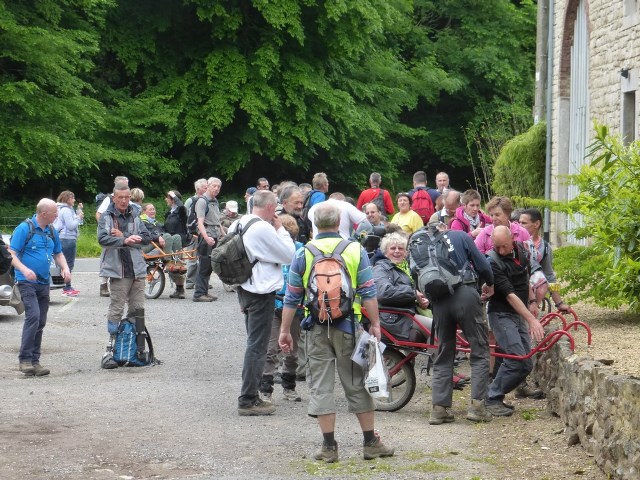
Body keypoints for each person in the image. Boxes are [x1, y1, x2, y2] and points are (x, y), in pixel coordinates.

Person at [279, 202, 394, 463]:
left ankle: (329, 447)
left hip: (316, 328)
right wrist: (375, 324)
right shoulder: (354, 249)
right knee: (355, 383)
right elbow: (368, 290)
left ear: (315, 224)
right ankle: (370, 443)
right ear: (339, 220)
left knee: (320, 386)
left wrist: (285, 330)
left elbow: (292, 297)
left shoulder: (304, 252)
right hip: (349, 327)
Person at [412, 223, 496, 425]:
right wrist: (490, 285)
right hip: (465, 294)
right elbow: (484, 266)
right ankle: (477, 407)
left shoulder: (422, 244)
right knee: (479, 349)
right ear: (444, 226)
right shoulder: (461, 236)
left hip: (439, 301)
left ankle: (438, 409)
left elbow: (416, 276)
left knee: (444, 351)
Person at [230, 190, 296, 416]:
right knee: (257, 347)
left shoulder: (238, 224)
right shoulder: (263, 228)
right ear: (270, 207)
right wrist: (281, 229)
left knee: (253, 344)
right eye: (275, 207)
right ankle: (248, 399)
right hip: (260, 293)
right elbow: (289, 255)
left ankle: (251, 395)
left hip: (245, 288)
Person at [484, 226, 545, 416]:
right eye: (497, 247)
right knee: (517, 358)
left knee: (526, 363)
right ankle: (491, 397)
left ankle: (496, 394)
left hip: (517, 314)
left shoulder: (522, 251)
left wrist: (533, 301)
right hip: (501, 314)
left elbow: (524, 279)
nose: (501, 251)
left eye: (504, 246)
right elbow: (509, 295)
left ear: (512, 240)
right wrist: (532, 320)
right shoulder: (492, 261)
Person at [9, 199, 71, 376]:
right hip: (26, 282)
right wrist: (24, 269)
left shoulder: (51, 231)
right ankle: (25, 360)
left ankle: (35, 361)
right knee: (33, 317)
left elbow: (58, 253)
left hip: (44, 282)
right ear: (44, 213)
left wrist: (65, 268)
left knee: (41, 321)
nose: (57, 215)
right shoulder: (24, 229)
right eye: (54, 213)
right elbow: (11, 254)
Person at [98, 182, 157, 369]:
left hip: (137, 269)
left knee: (138, 310)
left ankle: (135, 350)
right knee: (116, 308)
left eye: (127, 197)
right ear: (114, 198)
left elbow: (148, 237)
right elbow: (102, 239)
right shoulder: (107, 217)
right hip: (118, 269)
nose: (124, 201)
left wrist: (124, 236)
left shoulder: (136, 214)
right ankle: (109, 350)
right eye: (120, 198)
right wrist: (125, 239)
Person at [259, 214, 303, 403]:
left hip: (293, 305)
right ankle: (266, 390)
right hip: (274, 302)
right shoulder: (268, 249)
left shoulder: (301, 251)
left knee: (291, 350)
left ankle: (289, 387)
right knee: (270, 348)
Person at [372, 232, 432, 341]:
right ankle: (438, 358)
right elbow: (384, 293)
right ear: (385, 252)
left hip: (408, 312)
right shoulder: (380, 269)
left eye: (400, 248)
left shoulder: (408, 268)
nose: (397, 251)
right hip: (394, 317)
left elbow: (418, 292)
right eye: (392, 248)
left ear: (405, 253)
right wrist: (414, 294)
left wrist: (423, 301)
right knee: (437, 327)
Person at [518, 208, 571, 313]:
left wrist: (559, 303)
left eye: (523, 223)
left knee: (542, 283)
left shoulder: (545, 248)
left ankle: (532, 311)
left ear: (536, 224)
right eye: (519, 222)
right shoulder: (514, 242)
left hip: (534, 291)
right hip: (516, 288)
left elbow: (549, 275)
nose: (519, 226)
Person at [96, 175, 130, 297]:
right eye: (123, 183)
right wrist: (108, 227)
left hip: (123, 233)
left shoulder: (127, 200)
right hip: (111, 233)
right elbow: (99, 214)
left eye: (126, 183)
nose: (125, 186)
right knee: (108, 256)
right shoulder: (109, 199)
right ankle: (103, 284)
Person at [193, 177, 222, 302]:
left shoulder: (215, 201)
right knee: (204, 265)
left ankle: (204, 291)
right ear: (208, 186)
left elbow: (217, 221)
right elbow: (200, 223)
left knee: (210, 266)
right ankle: (198, 294)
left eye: (218, 187)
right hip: (207, 236)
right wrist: (206, 238)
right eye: (214, 186)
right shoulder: (202, 201)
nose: (216, 188)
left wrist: (224, 234)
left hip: (214, 234)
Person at [54, 190, 84, 297]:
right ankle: (67, 287)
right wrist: (78, 217)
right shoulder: (66, 210)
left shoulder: (65, 209)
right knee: (68, 264)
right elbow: (71, 225)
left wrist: (78, 213)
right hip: (67, 239)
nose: (74, 200)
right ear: (67, 199)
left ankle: (67, 286)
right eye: (72, 198)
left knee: (66, 263)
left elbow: (74, 223)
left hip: (65, 238)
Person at [163, 190, 189, 299]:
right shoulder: (169, 213)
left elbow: (182, 207)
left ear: (172, 199)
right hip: (169, 241)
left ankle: (180, 289)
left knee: (179, 265)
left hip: (179, 240)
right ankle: (179, 289)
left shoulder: (180, 213)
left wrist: (174, 196)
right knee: (173, 265)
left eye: (167, 198)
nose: (166, 199)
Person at [185, 179, 208, 290]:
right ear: (198, 189)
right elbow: (185, 217)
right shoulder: (190, 201)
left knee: (203, 258)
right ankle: (190, 281)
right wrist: (190, 232)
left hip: (204, 233)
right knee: (193, 259)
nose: (207, 189)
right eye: (205, 187)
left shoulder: (208, 200)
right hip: (193, 232)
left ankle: (201, 280)